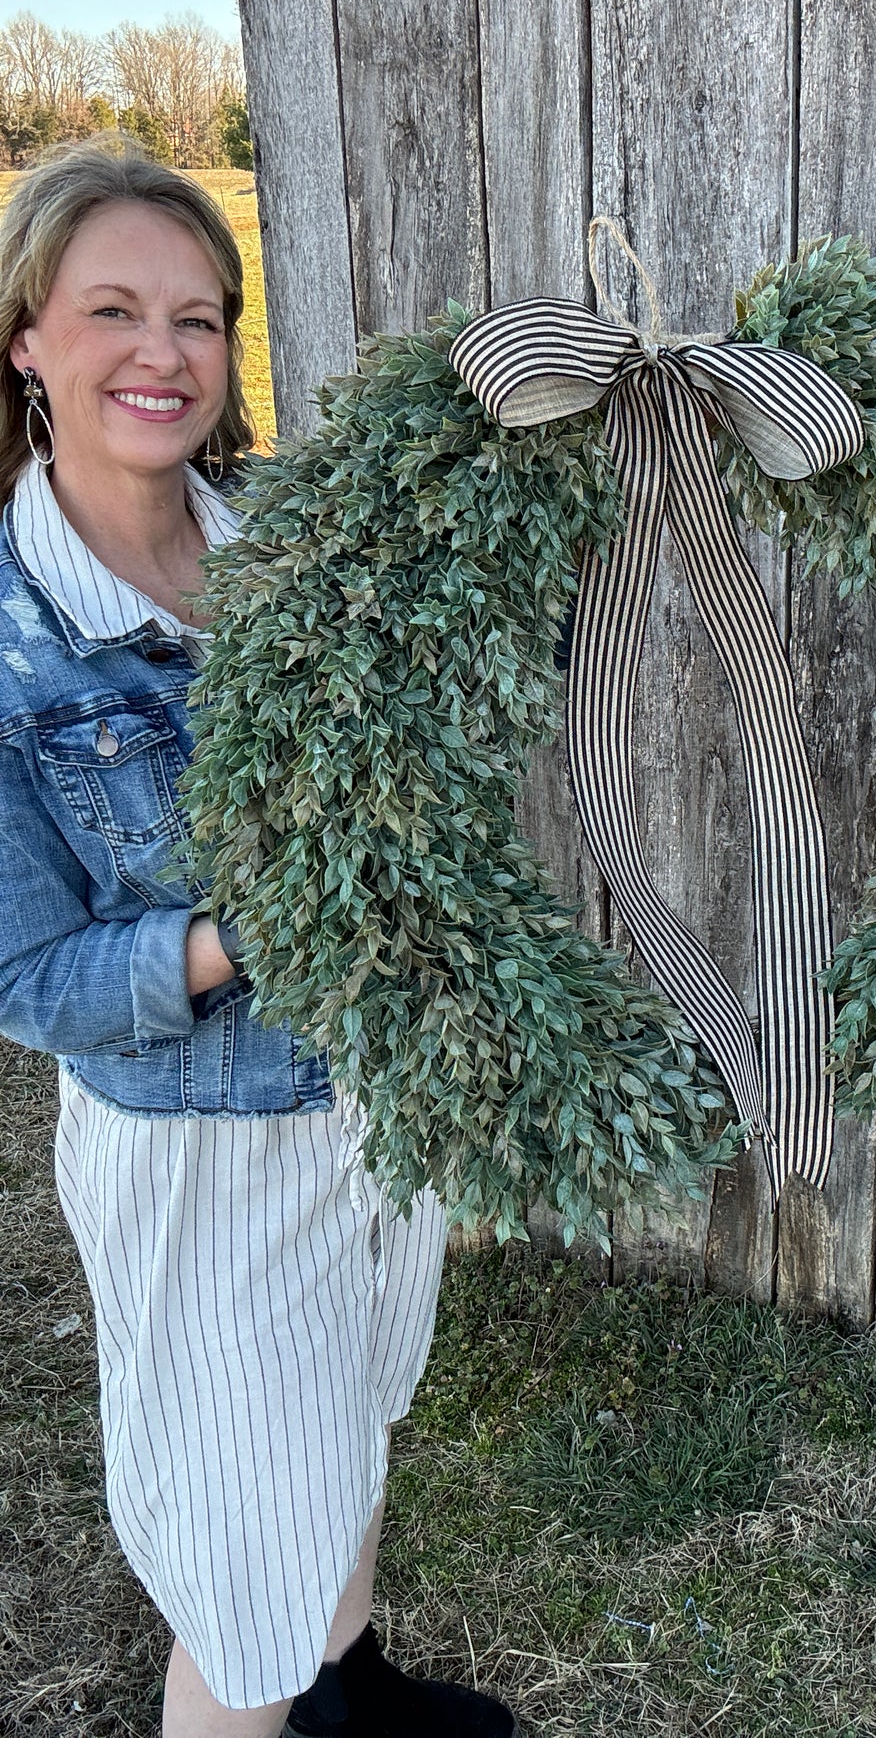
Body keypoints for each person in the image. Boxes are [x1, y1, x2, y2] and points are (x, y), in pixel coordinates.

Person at [0, 136, 517, 1738]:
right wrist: (253, 926)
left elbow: (482, 619)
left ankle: (346, 1696)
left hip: (364, 1100)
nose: (164, 354)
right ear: (29, 338)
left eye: (200, 319)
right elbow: (32, 988)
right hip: (210, 1157)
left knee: (347, 1422)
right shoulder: (18, 648)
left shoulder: (286, 544)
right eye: (113, 312)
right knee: (242, 1560)